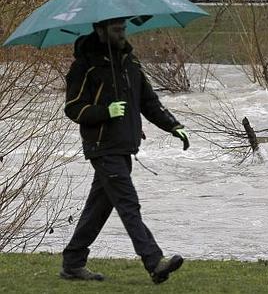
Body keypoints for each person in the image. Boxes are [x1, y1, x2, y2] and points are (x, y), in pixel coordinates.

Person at [60, 17, 190, 284]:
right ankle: (154, 262)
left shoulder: (130, 63)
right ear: (99, 30)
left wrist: (173, 126)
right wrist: (104, 112)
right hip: (101, 146)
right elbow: (73, 107)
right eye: (116, 30)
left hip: (124, 146)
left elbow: (148, 102)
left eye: (123, 29)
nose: (122, 34)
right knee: (128, 204)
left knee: (99, 207)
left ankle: (73, 262)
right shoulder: (84, 66)